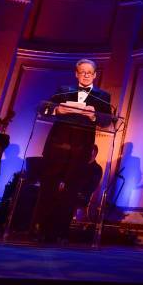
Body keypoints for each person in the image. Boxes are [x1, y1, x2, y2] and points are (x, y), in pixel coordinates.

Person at [32, 59, 112, 243]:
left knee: (70, 192)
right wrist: (58, 110)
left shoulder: (102, 96)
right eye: (82, 72)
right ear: (76, 74)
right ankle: (39, 229)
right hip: (57, 146)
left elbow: (107, 120)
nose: (85, 75)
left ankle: (60, 233)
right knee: (48, 188)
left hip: (81, 149)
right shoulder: (64, 90)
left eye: (89, 72)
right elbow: (42, 108)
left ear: (95, 75)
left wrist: (94, 116)